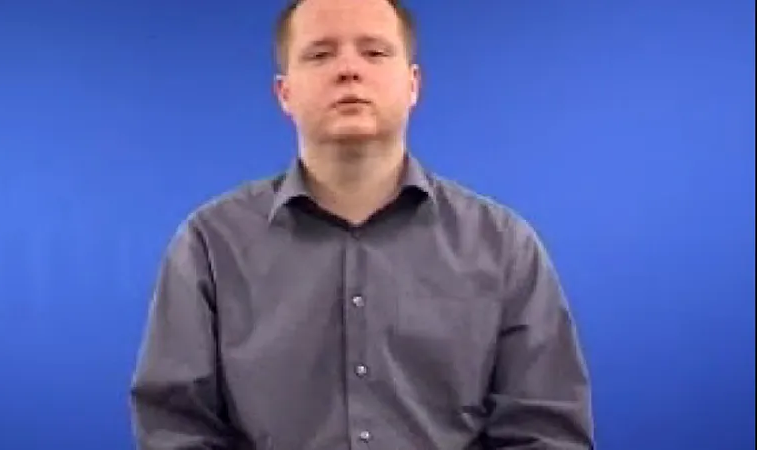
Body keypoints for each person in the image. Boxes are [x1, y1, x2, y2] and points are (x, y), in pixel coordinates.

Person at [128, 0, 595, 448]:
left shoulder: (504, 247)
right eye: (320, 54)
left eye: (374, 52)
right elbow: (176, 428)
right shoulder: (210, 245)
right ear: (284, 93)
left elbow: (545, 432)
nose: (349, 69)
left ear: (413, 84)